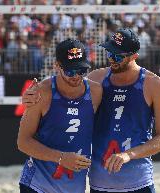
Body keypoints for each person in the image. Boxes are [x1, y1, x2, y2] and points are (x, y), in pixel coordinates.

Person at [23, 28, 160, 193]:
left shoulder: (154, 85)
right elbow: (63, 85)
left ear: (134, 56)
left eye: (117, 56)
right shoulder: (96, 79)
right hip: (99, 184)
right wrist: (30, 97)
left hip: (139, 181)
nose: (111, 59)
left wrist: (128, 154)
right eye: (109, 53)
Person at [17, 39, 102, 193]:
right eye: (70, 71)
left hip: (73, 186)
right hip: (37, 184)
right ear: (57, 66)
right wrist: (61, 158)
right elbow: (23, 142)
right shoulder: (41, 93)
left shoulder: (96, 92)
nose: (76, 76)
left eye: (81, 70)